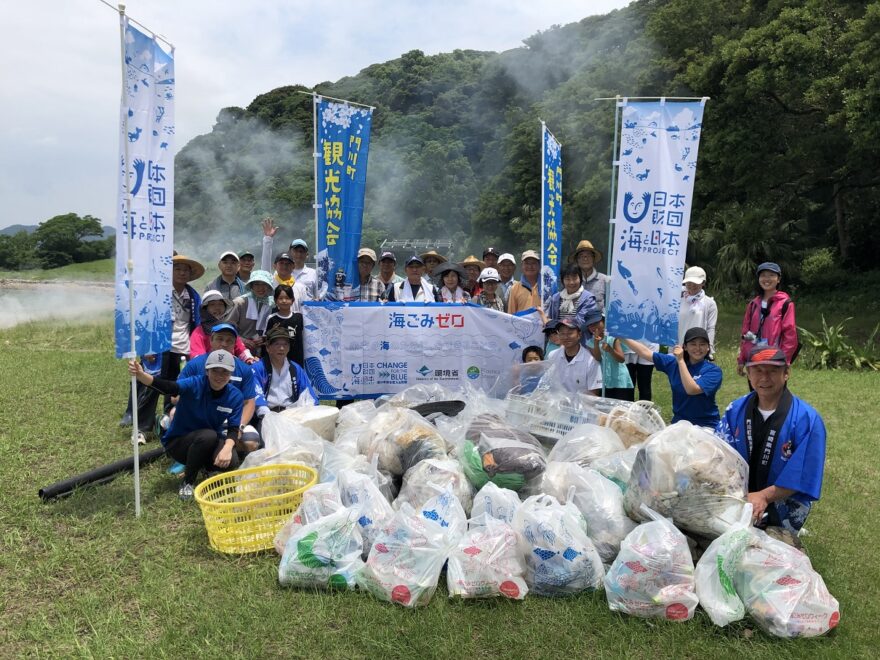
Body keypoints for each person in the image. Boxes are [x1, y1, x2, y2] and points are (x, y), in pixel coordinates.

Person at [717, 346, 826, 535]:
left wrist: (764, 496)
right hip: (738, 494)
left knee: (768, 554)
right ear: (748, 374)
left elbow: (803, 474)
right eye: (758, 370)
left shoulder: (807, 419)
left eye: (773, 370)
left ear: (786, 373)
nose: (764, 378)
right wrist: (740, 495)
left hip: (783, 503)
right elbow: (719, 453)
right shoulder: (735, 409)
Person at [129, 349, 242, 501]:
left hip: (208, 440)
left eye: (225, 372)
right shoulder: (195, 383)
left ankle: (206, 469)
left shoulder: (235, 396)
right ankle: (188, 482)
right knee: (208, 436)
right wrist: (142, 376)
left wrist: (227, 449)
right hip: (179, 442)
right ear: (207, 371)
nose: (220, 376)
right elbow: (169, 387)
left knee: (231, 460)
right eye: (215, 370)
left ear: (231, 374)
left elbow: (234, 429)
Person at [120, 254, 204, 440]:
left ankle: (168, 422)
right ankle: (142, 428)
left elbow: (196, 323)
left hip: (184, 347)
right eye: (178, 269)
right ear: (170, 272)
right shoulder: (158, 292)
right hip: (159, 346)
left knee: (176, 387)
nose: (182, 273)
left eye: (186, 270)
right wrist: (146, 346)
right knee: (151, 385)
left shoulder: (193, 295)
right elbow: (145, 318)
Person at [621, 327, 722, 427]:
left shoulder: (713, 371)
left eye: (702, 344)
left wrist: (681, 361)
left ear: (708, 347)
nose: (698, 348)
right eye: (693, 344)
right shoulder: (673, 363)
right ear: (685, 347)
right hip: (679, 423)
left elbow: (692, 390)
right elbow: (646, 353)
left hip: (706, 425)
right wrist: (622, 335)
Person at [180, 323, 259, 450]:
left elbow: (249, 402)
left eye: (229, 341)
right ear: (211, 340)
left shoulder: (244, 369)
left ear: (235, 344)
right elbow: (176, 396)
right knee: (175, 414)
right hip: (198, 419)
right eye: (220, 339)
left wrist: (240, 426)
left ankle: (223, 449)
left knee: (251, 442)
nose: (224, 344)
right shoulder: (195, 364)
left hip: (229, 421)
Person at [737, 261, 798, 377]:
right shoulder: (753, 304)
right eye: (763, 275)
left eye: (771, 275)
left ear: (778, 279)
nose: (767, 279)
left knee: (773, 393)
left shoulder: (785, 303)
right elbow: (746, 334)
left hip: (774, 359)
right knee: (755, 392)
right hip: (754, 358)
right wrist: (742, 359)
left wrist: (784, 361)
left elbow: (790, 336)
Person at [252, 326, 319, 423]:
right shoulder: (257, 368)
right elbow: (256, 397)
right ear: (267, 347)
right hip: (265, 417)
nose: (282, 348)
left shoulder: (296, 369)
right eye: (277, 344)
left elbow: (308, 395)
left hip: (292, 416)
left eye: (285, 344)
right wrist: (269, 418)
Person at [189, 290, 254, 362]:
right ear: (205, 309)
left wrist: (249, 359)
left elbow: (240, 349)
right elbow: (198, 358)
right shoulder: (199, 332)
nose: (217, 308)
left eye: (220, 304)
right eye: (212, 304)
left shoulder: (229, 329)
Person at [544, 318, 603, 395]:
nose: (566, 337)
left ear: (579, 335)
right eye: (562, 333)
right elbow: (548, 383)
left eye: (570, 333)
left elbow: (593, 394)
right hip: (556, 405)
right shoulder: (552, 356)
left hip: (581, 406)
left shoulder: (591, 361)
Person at [585, 311, 634, 401]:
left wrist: (610, 350)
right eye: (590, 325)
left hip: (619, 379)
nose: (593, 327)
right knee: (606, 409)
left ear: (603, 322)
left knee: (622, 408)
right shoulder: (590, 342)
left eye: (596, 323)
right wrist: (596, 344)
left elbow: (621, 359)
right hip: (603, 381)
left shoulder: (613, 338)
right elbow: (598, 358)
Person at [226, 270, 276, 356]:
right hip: (239, 349)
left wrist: (265, 338)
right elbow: (228, 328)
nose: (260, 288)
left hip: (264, 350)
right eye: (256, 284)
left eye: (264, 284)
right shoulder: (240, 302)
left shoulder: (272, 304)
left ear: (268, 286)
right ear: (251, 286)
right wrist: (243, 341)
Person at [545, 263, 598, 331]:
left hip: (580, 339)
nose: (571, 282)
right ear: (562, 280)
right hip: (559, 339)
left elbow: (582, 321)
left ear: (580, 278)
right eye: (567, 279)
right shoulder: (556, 298)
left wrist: (557, 323)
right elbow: (551, 320)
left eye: (574, 278)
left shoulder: (588, 298)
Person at [679, 266, 718, 357]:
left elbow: (711, 328)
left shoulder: (709, 303)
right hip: (678, 346)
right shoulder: (677, 299)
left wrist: (709, 348)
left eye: (696, 282)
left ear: (703, 283)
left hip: (698, 349)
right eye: (689, 282)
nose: (692, 285)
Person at [265, 284, 305, 367]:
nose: (284, 301)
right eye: (280, 298)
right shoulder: (271, 318)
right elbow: (266, 339)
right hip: (277, 359)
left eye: (287, 298)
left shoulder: (299, 317)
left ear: (293, 300)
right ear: (275, 301)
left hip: (296, 358)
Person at [569, 240, 610, 312]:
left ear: (593, 259)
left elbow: (610, 306)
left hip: (598, 321)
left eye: (588, 255)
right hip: (574, 322)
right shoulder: (570, 281)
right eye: (581, 256)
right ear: (577, 260)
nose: (585, 258)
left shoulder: (605, 280)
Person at [507, 250, 549, 320]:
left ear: (539, 265)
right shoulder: (515, 288)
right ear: (522, 266)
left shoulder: (547, 286)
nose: (530, 266)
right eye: (527, 263)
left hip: (543, 328)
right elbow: (511, 314)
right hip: (521, 328)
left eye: (533, 263)